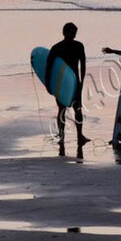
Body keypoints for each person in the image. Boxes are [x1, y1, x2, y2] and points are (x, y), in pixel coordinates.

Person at [46, 22, 91, 152]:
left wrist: (82, 81)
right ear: (64, 33)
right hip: (60, 84)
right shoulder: (56, 48)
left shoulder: (79, 46)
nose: (73, 35)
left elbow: (83, 64)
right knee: (61, 109)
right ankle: (61, 135)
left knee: (78, 109)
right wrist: (49, 85)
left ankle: (80, 135)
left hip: (75, 83)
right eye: (71, 32)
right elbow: (49, 67)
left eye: (75, 33)